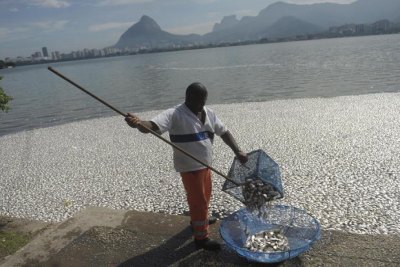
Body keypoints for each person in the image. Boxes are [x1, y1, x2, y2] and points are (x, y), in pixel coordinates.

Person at [125, 82, 248, 251]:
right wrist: (139, 123)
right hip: (189, 168)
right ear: (187, 98)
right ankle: (201, 238)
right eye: (198, 100)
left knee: (205, 196)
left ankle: (200, 218)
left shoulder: (209, 113)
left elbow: (224, 132)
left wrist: (238, 150)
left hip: (206, 165)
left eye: (203, 100)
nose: (201, 104)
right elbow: (151, 126)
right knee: (198, 201)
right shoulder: (175, 114)